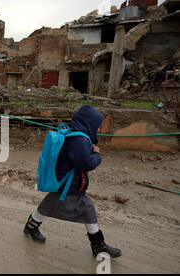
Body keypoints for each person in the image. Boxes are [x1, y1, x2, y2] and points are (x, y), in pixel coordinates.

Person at [24, 105, 122, 258]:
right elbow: (85, 163)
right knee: (81, 207)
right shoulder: (78, 140)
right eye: (96, 125)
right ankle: (98, 245)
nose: (98, 129)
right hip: (68, 184)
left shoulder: (79, 137)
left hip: (70, 183)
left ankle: (97, 245)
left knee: (69, 207)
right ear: (89, 123)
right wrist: (97, 155)